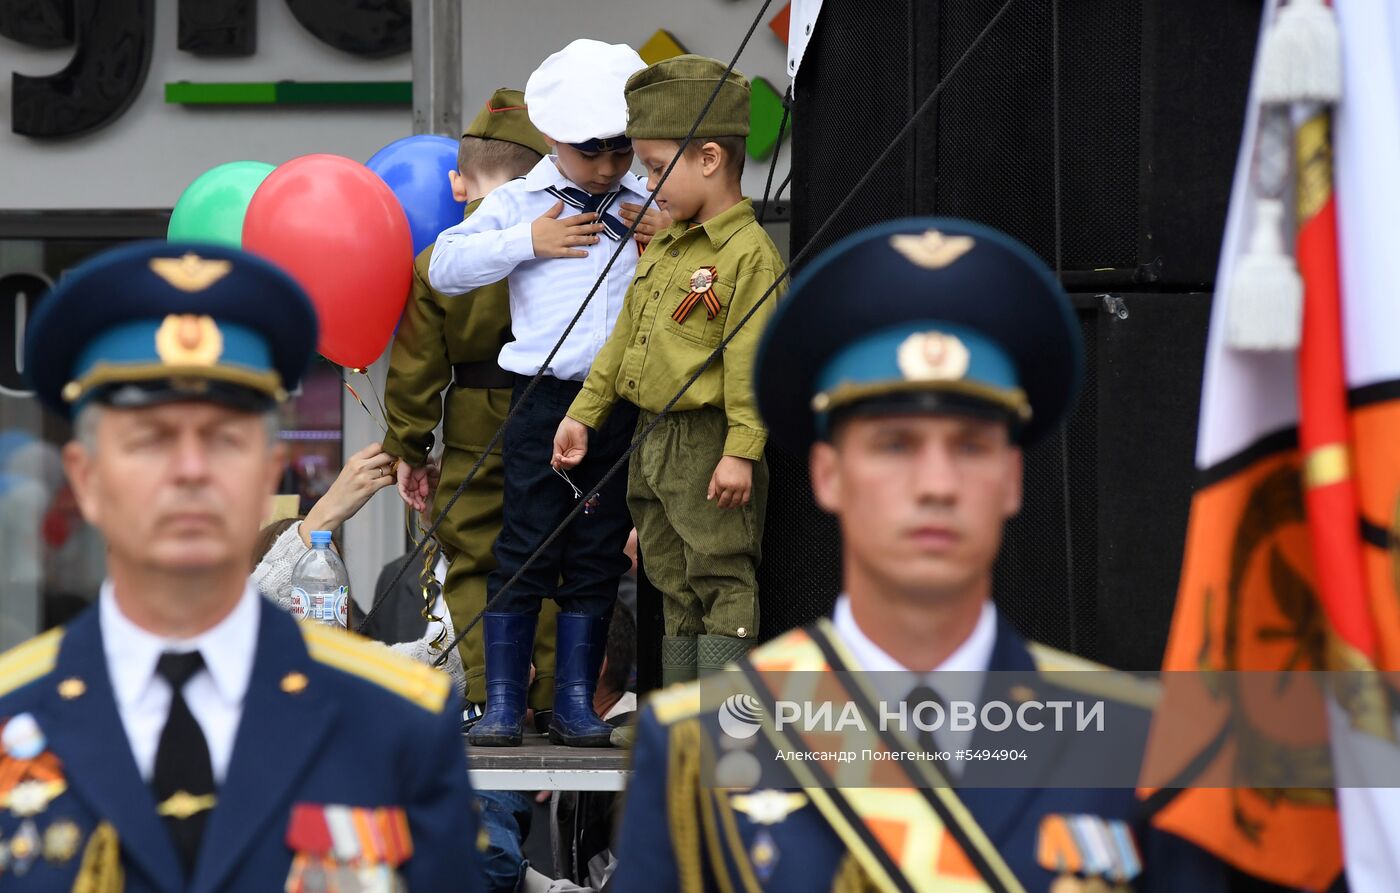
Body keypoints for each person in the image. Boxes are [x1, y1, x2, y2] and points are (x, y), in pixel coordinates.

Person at [608, 220, 1230, 891]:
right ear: (827, 474)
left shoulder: (1136, 746)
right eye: (895, 444)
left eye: (969, 445)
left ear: (1013, 476)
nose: (936, 484)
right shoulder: (694, 755)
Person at [0, 242, 481, 891]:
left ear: (266, 473)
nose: (191, 469)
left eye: (225, 437)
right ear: (85, 480)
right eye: (150, 438)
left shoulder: (396, 725)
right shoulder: (12, 722)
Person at [429, 40, 652, 749]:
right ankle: (501, 702)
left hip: (616, 402)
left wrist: (666, 235)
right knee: (525, 538)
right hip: (539, 397)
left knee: (597, 548)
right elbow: (444, 265)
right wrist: (528, 239)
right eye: (593, 152)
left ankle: (577, 702)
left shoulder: (645, 202)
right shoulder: (520, 201)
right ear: (554, 139)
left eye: (622, 150)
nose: (610, 167)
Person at [554, 56, 784, 686]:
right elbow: (625, 339)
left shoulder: (747, 256)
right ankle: (680, 712)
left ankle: (722, 715)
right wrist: (585, 412)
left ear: (709, 159)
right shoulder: (669, 245)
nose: (647, 185)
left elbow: (751, 364)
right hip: (649, 436)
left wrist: (741, 450)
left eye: (657, 169)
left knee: (720, 572)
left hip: (708, 438)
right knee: (667, 574)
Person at [386, 88, 562, 727]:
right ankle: (550, 697)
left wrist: (406, 446)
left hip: (475, 419)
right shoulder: (569, 244)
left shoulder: (439, 263)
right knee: (550, 551)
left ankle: (492, 690)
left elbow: (417, 369)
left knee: (474, 553)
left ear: (459, 183)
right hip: (557, 412)